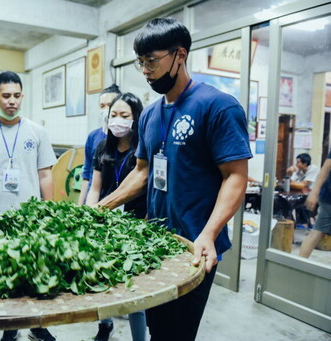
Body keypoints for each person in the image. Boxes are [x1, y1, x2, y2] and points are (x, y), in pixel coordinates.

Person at [96, 18, 252, 340]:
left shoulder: (218, 106)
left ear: (180, 55)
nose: (145, 70)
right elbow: (142, 172)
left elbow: (236, 177)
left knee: (178, 333)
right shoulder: (151, 115)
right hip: (156, 244)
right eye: (141, 62)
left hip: (196, 247)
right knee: (159, 329)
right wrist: (102, 206)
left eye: (152, 61)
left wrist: (209, 233)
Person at [0, 71, 57, 341]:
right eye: (6, 96)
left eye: (16, 95)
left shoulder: (37, 132)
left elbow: (45, 175)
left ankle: (38, 327)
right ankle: (10, 327)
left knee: (36, 273)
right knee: (6, 276)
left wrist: (49, 213)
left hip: (31, 218)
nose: (12, 101)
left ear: (22, 96)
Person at [86, 93, 147, 341]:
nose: (118, 120)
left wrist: (143, 227)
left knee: (135, 292)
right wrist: (89, 215)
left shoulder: (142, 151)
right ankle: (105, 325)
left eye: (124, 115)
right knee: (102, 280)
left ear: (136, 119)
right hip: (105, 225)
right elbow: (95, 188)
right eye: (113, 115)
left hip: (135, 228)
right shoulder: (103, 148)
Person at [77, 84, 121, 205]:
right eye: (102, 106)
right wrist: (80, 207)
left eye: (110, 105)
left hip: (116, 203)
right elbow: (86, 175)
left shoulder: (125, 137)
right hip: (93, 201)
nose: (106, 109)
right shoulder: (93, 137)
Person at [299, 151, 331, 258]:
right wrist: (314, 192)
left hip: (327, 196)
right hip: (328, 198)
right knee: (316, 232)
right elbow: (325, 170)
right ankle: (299, 266)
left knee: (316, 232)